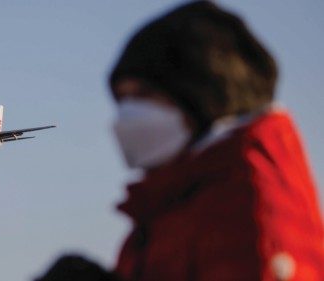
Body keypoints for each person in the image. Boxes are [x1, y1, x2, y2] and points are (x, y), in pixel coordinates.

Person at [35, 1, 324, 280]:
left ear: (199, 99)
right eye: (122, 99)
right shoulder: (172, 207)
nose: (126, 115)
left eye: (143, 95)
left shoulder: (249, 212)